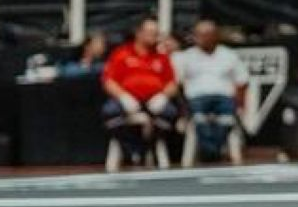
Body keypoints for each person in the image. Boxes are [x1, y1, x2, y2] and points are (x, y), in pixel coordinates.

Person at [102, 17, 179, 165]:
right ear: (139, 33)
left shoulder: (162, 57)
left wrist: (163, 96)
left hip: (154, 100)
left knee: (170, 113)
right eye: (151, 33)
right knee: (109, 112)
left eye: (157, 33)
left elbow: (172, 83)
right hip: (127, 99)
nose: (155, 37)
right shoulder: (121, 53)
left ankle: (148, 147)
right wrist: (123, 97)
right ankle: (133, 150)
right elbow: (109, 81)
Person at [173, 20, 248, 163]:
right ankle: (210, 153)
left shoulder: (229, 55)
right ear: (195, 36)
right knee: (200, 118)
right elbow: (177, 84)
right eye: (201, 35)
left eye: (208, 35)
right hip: (196, 98)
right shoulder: (185, 57)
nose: (205, 38)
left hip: (224, 97)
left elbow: (242, 81)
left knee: (226, 118)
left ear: (216, 36)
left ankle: (215, 150)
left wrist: (240, 105)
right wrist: (183, 109)